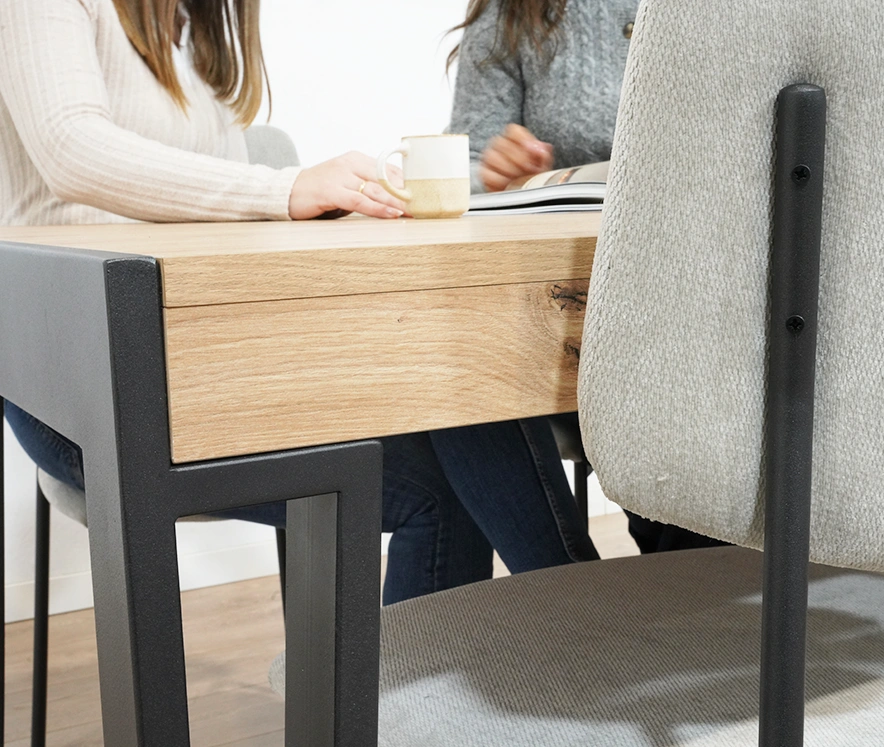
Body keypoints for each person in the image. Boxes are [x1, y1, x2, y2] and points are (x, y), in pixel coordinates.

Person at [0, 0, 598, 605]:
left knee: (455, 392)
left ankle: (577, 611)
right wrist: (284, 187)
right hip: (80, 391)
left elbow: (205, 211)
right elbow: (69, 149)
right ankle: (587, 609)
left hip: (188, 359)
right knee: (441, 477)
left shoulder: (187, 30)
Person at [447, 0, 727, 552]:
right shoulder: (512, 14)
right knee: (457, 354)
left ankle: (677, 572)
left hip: (708, 295)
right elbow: (464, 163)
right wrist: (496, 173)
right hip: (573, 306)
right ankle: (572, 582)